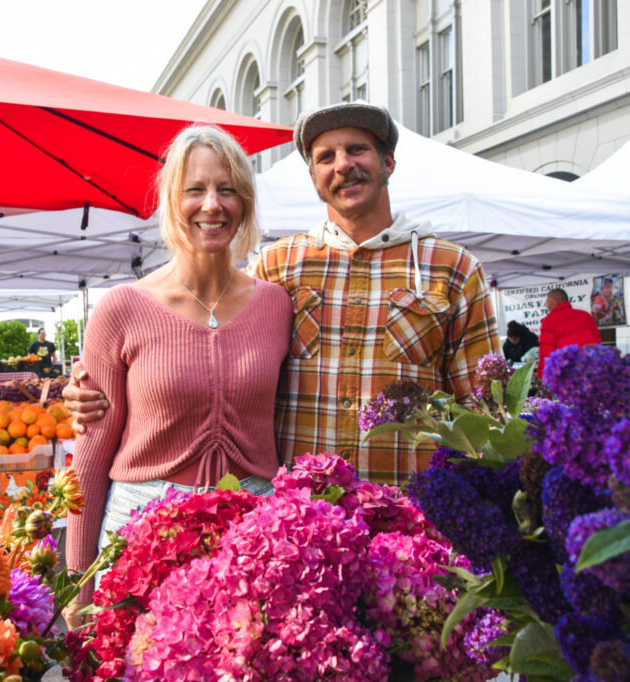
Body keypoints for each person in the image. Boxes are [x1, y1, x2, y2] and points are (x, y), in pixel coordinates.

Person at [65, 102, 498, 487]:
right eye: (326, 157)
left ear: (388, 162)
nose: (343, 165)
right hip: (299, 524)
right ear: (313, 178)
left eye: (357, 149)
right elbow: (209, 338)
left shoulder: (451, 268)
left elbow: (484, 414)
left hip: (409, 513)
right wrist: (91, 390)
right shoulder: (279, 267)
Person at [63, 125, 292, 628]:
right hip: (142, 523)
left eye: (227, 189)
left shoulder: (276, 304)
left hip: (251, 522)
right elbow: (91, 451)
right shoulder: (123, 307)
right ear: (171, 200)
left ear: (246, 203)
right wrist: (78, 581)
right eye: (196, 189)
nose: (212, 204)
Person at [537, 288, 601, 377]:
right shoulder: (586, 316)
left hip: (566, 374)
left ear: (555, 301)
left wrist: (543, 374)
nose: (547, 306)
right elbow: (598, 345)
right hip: (589, 370)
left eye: (548, 302)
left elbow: (546, 352)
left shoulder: (549, 321)